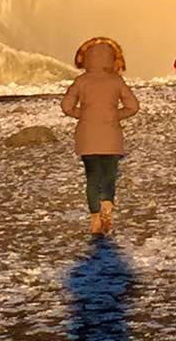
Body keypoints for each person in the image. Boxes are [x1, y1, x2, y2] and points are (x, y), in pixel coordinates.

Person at [61, 37, 140, 236]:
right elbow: (133, 106)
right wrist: (115, 115)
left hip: (87, 137)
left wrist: (84, 114)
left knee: (92, 178)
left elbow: (66, 107)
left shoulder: (81, 81)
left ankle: (95, 218)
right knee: (109, 177)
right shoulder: (116, 80)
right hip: (111, 137)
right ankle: (107, 206)